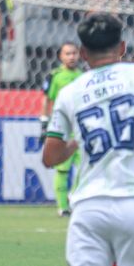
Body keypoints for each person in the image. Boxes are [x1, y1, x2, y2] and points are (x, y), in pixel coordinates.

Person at [42, 13, 134, 266]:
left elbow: (50, 157)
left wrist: (79, 139)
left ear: (83, 53)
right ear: (122, 47)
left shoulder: (69, 93)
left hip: (88, 207)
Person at [40, 41, 82, 217]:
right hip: (63, 127)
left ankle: (74, 197)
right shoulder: (55, 76)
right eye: (67, 53)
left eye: (74, 53)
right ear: (60, 56)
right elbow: (47, 100)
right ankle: (63, 206)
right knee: (62, 169)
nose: (71, 57)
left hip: (80, 127)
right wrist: (44, 123)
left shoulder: (83, 76)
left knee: (84, 167)